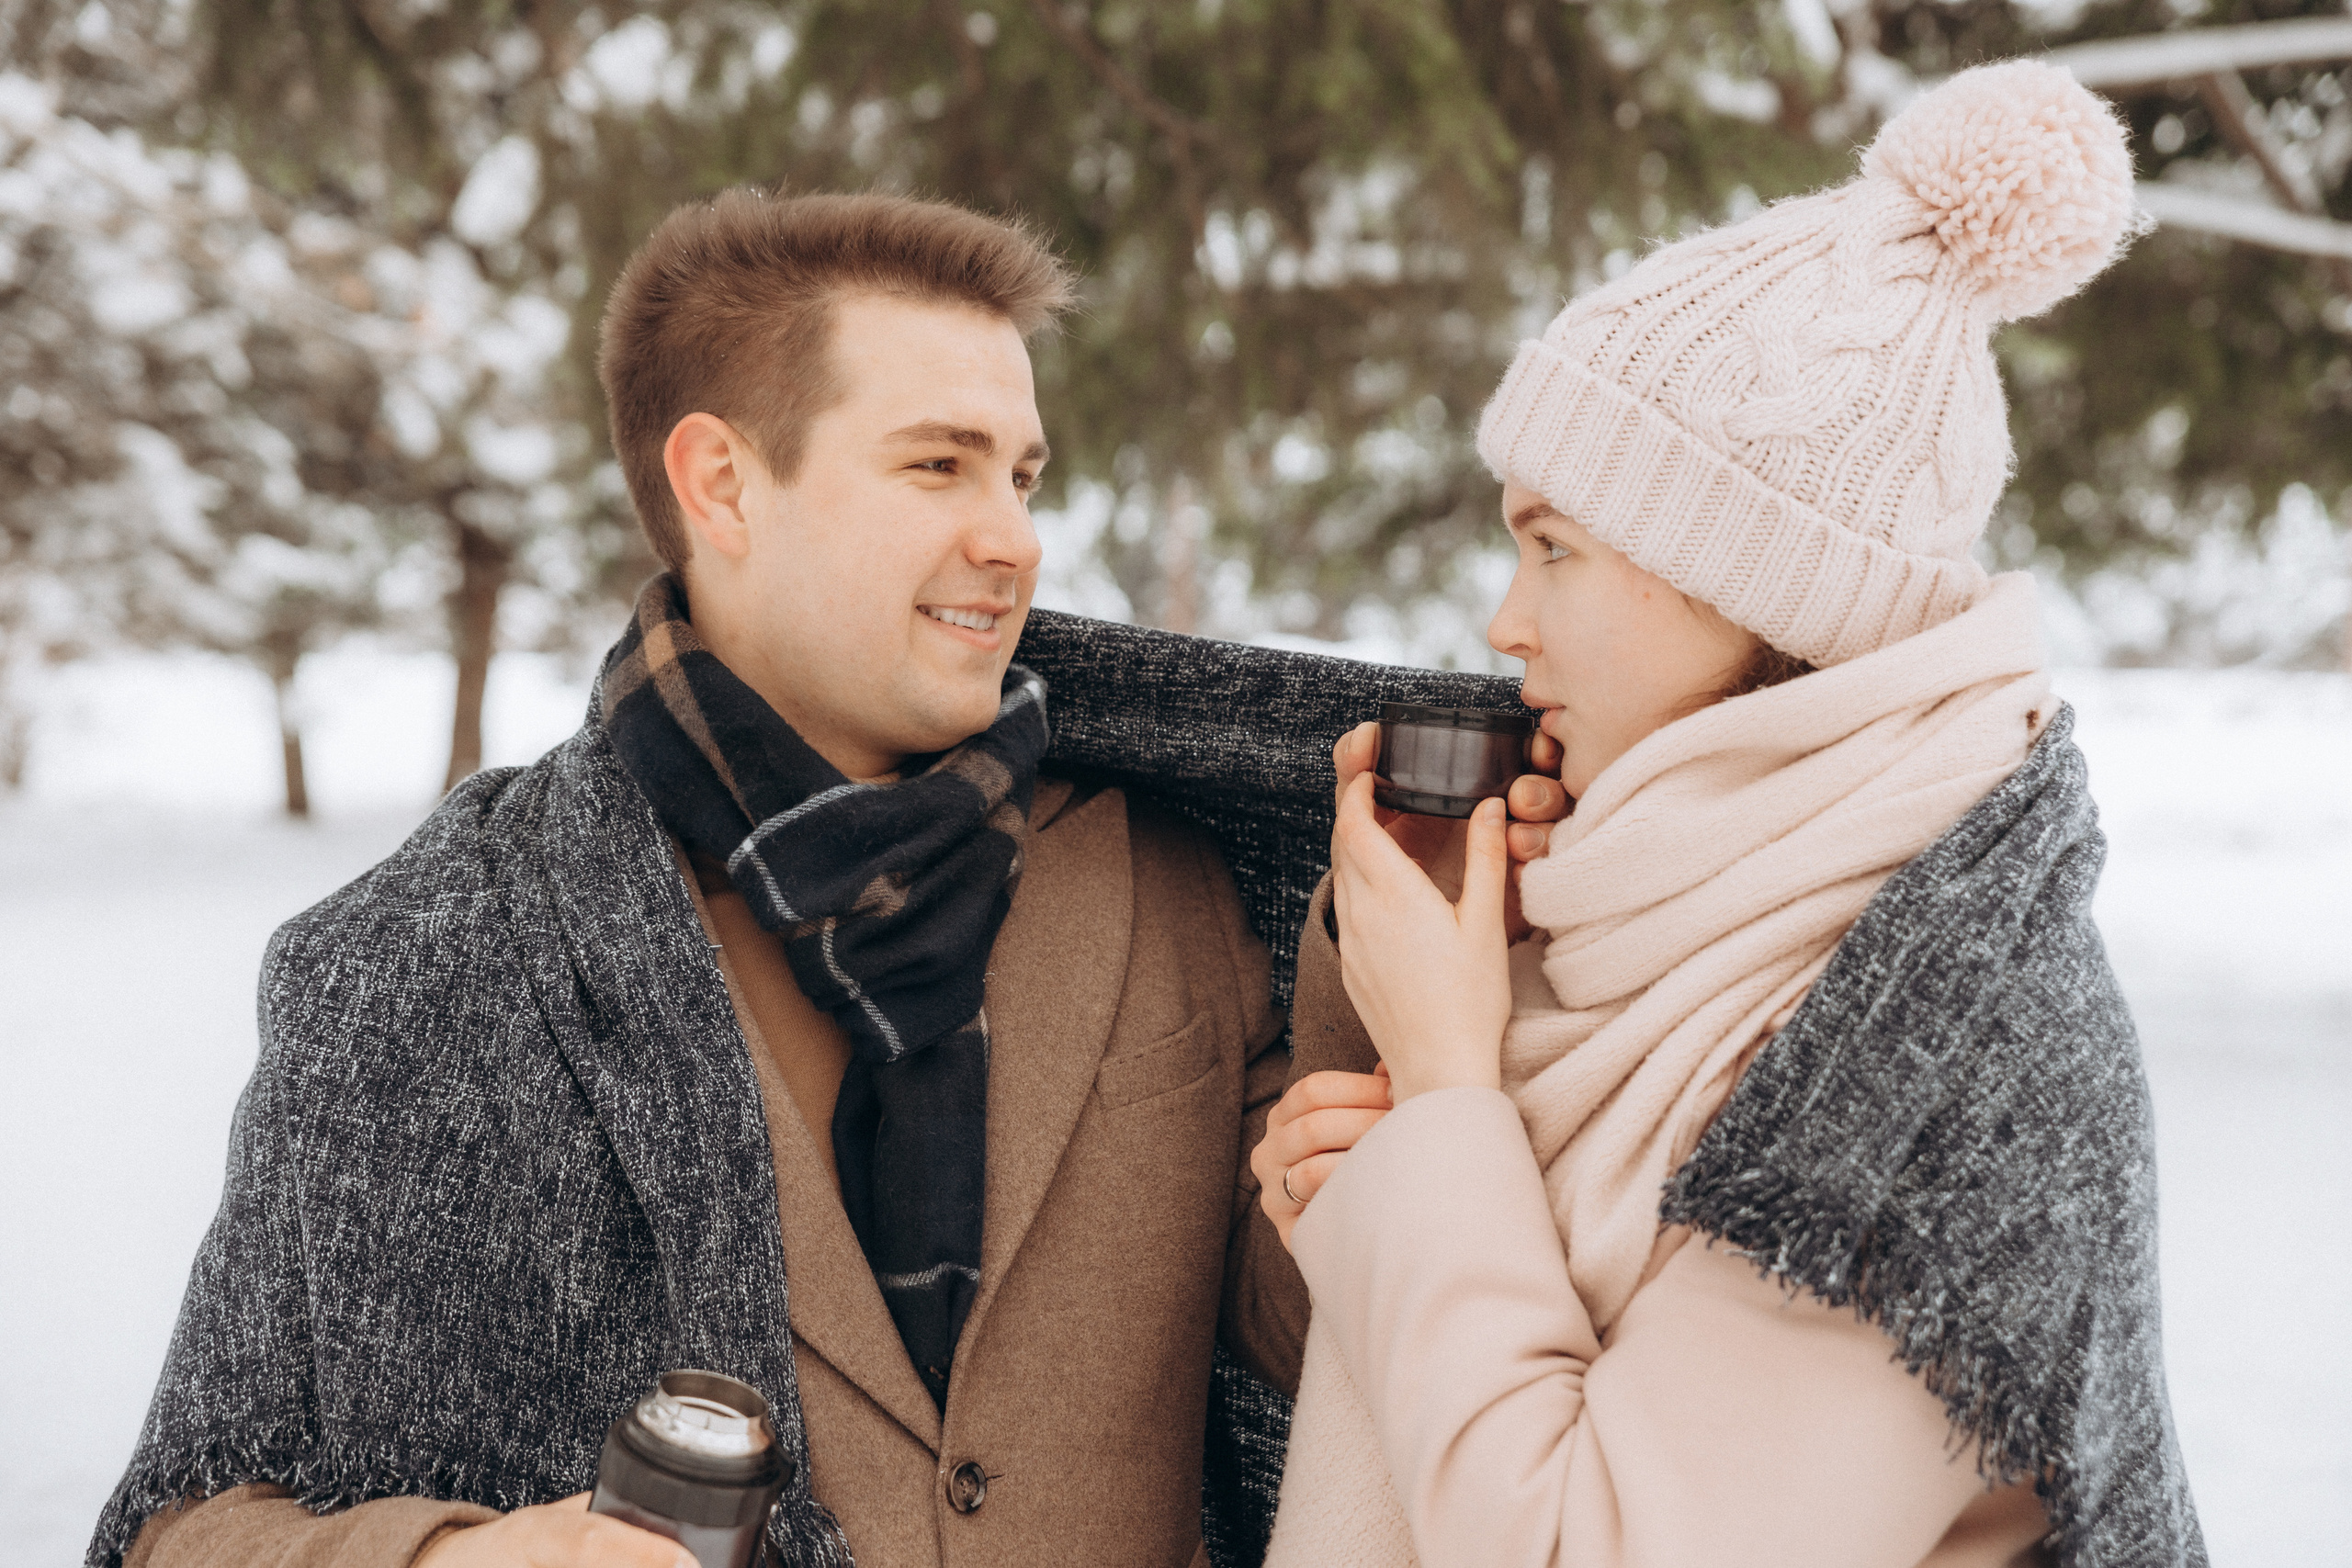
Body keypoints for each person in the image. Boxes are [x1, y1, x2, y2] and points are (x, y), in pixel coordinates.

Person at [92, 191, 1333, 1568]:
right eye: (940, 466)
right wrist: (462, 1561)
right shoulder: (425, 956)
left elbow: (1319, 1338)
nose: (1016, 539)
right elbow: (185, 1522)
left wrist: (1394, 1061)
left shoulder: (1161, 876)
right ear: (722, 484)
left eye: (1023, 476)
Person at [1247, 62, 2204, 1568]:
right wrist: (1384, 1202)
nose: (1506, 621)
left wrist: (1441, 1091)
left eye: (1553, 547)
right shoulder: (1686, 935)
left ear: (1751, 575)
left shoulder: (1926, 1057)